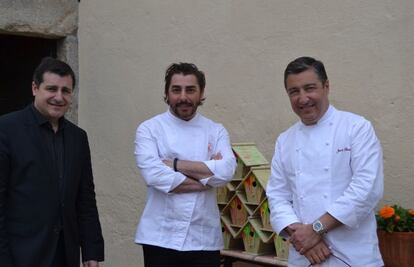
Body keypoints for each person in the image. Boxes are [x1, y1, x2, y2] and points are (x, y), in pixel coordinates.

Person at [266, 56, 384, 266]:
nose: (303, 99)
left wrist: (316, 229)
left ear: (326, 86)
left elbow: (366, 189)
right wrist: (305, 240)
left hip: (353, 254)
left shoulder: (356, 128)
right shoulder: (285, 140)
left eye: (309, 88)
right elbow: (277, 195)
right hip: (305, 256)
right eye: (294, 91)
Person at [0, 57, 104, 267]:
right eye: (51, 89)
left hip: (65, 255)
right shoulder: (6, 129)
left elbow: (85, 199)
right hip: (21, 256)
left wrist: (91, 252)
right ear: (34, 88)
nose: (59, 97)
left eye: (65, 91)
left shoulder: (78, 137)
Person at [134, 62, 236, 267]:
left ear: (201, 93)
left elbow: (226, 171)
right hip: (160, 238)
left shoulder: (216, 131)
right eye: (176, 90)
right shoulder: (149, 129)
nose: (183, 97)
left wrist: (176, 164)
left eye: (190, 90)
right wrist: (208, 179)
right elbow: (154, 175)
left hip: (203, 238)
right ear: (166, 93)